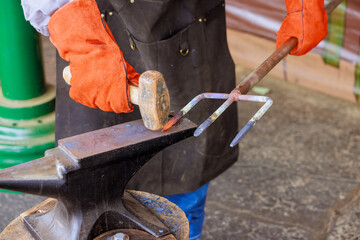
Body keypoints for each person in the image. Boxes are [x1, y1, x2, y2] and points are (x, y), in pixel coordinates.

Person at [21, 0, 327, 239]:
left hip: (192, 30)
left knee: (185, 189)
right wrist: (83, 42)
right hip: (98, 30)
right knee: (94, 197)